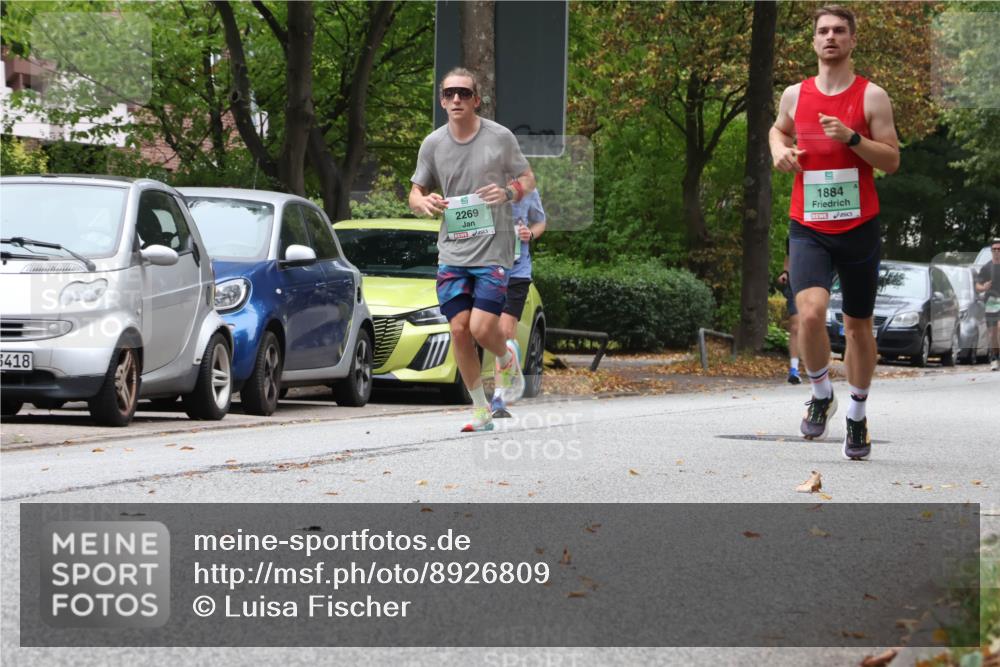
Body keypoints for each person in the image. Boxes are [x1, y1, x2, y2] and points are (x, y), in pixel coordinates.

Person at [769, 5, 900, 460]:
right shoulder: (794, 94)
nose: (830, 37)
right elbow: (777, 130)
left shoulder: (872, 97)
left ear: (852, 40)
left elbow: (892, 160)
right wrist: (778, 150)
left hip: (859, 226)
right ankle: (822, 393)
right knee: (809, 314)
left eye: (839, 30)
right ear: (813, 41)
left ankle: (857, 417)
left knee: (858, 325)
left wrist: (852, 138)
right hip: (808, 225)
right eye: (823, 31)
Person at [409, 67, 536, 432]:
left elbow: (528, 179)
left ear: (476, 100)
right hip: (452, 251)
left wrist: (508, 192)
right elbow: (415, 191)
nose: (456, 99)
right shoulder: (433, 144)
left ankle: (505, 355)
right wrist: (423, 202)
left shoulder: (500, 137)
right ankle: (481, 411)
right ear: (441, 101)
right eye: (449, 93)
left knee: (481, 327)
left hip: (493, 248)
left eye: (464, 93)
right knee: (459, 330)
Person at [491, 189, 547, 417]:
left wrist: (529, 234)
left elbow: (540, 222)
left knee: (505, 331)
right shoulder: (482, 184)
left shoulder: (529, 191)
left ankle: (499, 396)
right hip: (487, 270)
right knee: (485, 330)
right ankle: (511, 367)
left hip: (517, 273)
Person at [776, 237, 802, 385]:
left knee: (812, 325)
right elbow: (788, 257)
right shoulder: (793, 235)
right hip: (795, 284)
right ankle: (794, 370)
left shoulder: (820, 230)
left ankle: (817, 370)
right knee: (795, 327)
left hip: (814, 283)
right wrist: (785, 272)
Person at [975, 238, 1000, 371]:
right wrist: (983, 287)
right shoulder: (986, 268)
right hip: (991, 302)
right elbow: (977, 286)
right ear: (991, 251)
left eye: (999, 249)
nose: (996, 251)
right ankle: (995, 357)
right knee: (992, 334)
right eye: (994, 249)